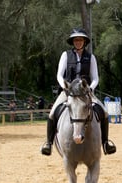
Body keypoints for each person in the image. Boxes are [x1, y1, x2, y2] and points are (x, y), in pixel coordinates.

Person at [41, 28, 116, 156]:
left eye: (80, 40)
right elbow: (59, 75)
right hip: (68, 91)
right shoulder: (65, 55)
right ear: (73, 42)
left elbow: (95, 78)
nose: (78, 42)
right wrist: (65, 87)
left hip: (86, 92)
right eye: (76, 40)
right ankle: (49, 143)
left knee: (104, 112)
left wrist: (90, 89)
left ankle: (105, 143)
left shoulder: (90, 57)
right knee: (52, 113)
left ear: (84, 42)